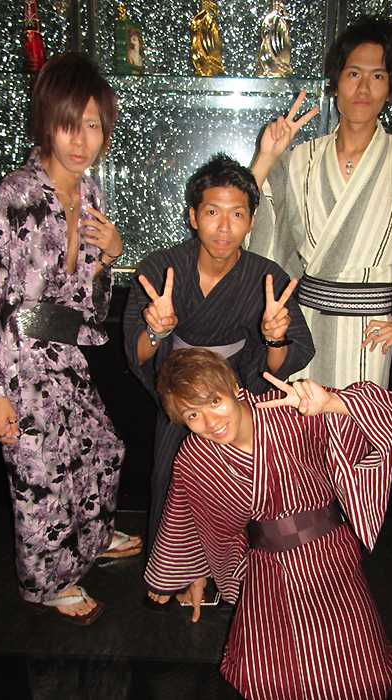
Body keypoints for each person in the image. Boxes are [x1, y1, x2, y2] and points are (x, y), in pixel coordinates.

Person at [0, 53, 142, 625]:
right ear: (47, 122)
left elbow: (90, 308)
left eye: (93, 125)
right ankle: (48, 583)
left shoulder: (89, 195)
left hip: (63, 353)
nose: (81, 139)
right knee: (41, 475)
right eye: (70, 124)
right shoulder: (15, 195)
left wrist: (110, 256)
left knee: (102, 447)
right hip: (17, 358)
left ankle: (90, 535)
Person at [145, 347, 392, 700]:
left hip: (331, 556)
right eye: (192, 414)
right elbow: (193, 515)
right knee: (266, 675)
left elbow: (389, 412)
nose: (210, 421)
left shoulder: (289, 411)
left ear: (233, 386)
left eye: (214, 401)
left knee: (356, 673)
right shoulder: (196, 455)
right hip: (269, 568)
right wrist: (194, 573)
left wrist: (330, 404)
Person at [248, 15, 392, 389]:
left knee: (359, 419)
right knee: (300, 419)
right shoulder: (301, 159)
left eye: (377, 76)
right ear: (336, 82)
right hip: (304, 326)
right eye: (353, 74)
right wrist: (267, 156)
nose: (363, 88)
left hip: (368, 332)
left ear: (390, 88)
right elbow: (245, 217)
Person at [123, 153, 315, 552]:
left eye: (237, 214)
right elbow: (137, 354)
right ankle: (174, 569)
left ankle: (235, 569)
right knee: (171, 479)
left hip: (237, 390)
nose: (224, 227)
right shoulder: (160, 268)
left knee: (240, 487)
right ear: (193, 216)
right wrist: (157, 331)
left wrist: (274, 339)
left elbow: (280, 366)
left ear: (252, 221)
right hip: (182, 393)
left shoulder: (267, 277)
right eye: (212, 212)